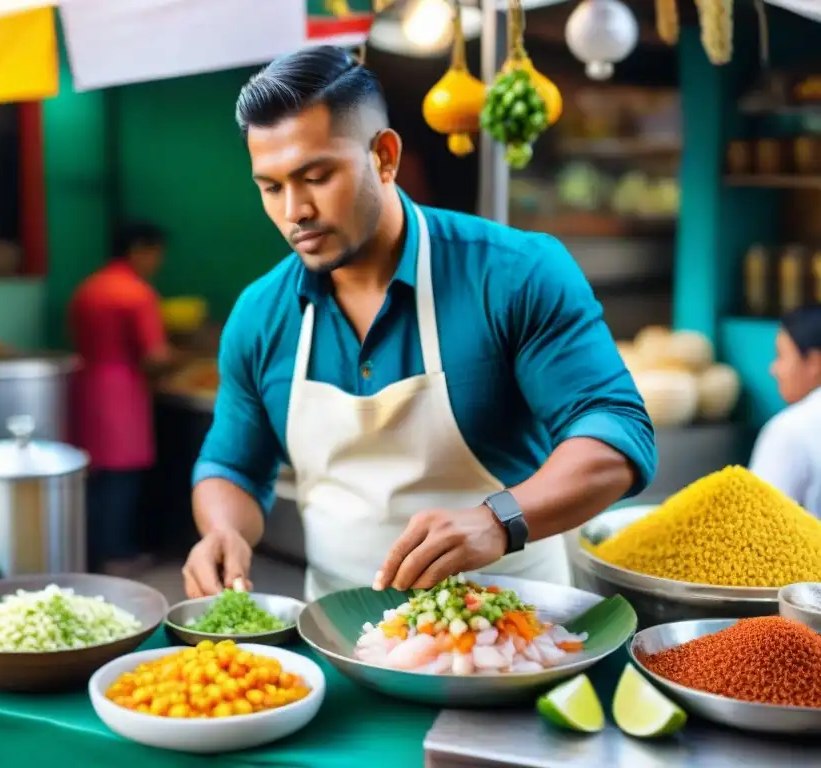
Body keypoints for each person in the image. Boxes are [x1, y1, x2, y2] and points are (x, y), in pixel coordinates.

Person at [182, 46, 657, 602]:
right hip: (342, 640)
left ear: (384, 156)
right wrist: (224, 531)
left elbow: (617, 433)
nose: (295, 211)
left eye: (316, 176)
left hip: (518, 637)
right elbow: (231, 465)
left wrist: (498, 520)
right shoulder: (261, 315)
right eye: (271, 187)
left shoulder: (513, 274)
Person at [68, 223, 180, 575]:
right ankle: (118, 554)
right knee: (123, 477)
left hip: (86, 387)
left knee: (96, 476)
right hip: (122, 393)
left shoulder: (89, 289)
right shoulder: (136, 293)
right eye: (155, 253)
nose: (157, 262)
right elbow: (155, 357)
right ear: (139, 250)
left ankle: (90, 551)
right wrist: (189, 357)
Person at [748, 305, 821, 515]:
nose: (774, 369)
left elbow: (759, 520)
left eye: (781, 356)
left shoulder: (791, 430)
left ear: (814, 363)